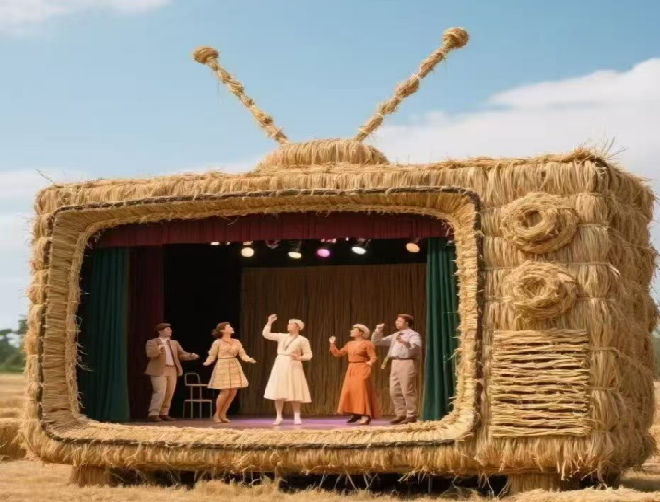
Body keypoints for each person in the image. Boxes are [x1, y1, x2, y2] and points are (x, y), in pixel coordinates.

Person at [262, 314, 312, 425]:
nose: (288, 326)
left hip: (294, 364)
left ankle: (297, 416)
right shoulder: (282, 336)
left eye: (291, 324)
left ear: (298, 327)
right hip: (280, 364)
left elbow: (309, 355)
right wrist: (269, 322)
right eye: (288, 324)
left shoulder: (302, 340)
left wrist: (299, 357)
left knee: (295, 389)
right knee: (278, 390)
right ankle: (278, 416)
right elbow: (266, 334)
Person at [372, 314, 421, 424]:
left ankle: (411, 415)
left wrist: (406, 343)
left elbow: (416, 348)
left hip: (406, 362)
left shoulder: (413, 334)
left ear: (406, 323)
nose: (396, 322)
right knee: (394, 390)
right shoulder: (395, 335)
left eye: (399, 321)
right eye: (397, 320)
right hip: (395, 362)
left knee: (407, 390)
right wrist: (378, 331)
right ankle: (401, 414)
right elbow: (377, 341)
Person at [144, 322, 199, 422]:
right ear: (160, 331)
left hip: (172, 369)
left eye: (170, 329)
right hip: (159, 369)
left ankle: (164, 413)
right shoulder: (152, 342)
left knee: (170, 392)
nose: (170, 331)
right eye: (167, 329)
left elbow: (181, 354)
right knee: (160, 391)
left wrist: (190, 356)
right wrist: (158, 349)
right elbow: (150, 354)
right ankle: (153, 413)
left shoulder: (174, 343)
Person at [203, 322, 256, 423]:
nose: (231, 328)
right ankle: (217, 414)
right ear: (223, 330)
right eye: (229, 327)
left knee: (233, 391)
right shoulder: (217, 342)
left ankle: (223, 414)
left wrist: (249, 359)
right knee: (225, 391)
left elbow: (242, 354)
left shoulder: (236, 341)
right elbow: (212, 355)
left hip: (234, 366)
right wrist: (207, 362)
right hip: (223, 366)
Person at [329, 324, 379, 425]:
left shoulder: (367, 343)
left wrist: (370, 363)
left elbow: (373, 357)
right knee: (351, 391)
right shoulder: (350, 343)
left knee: (361, 391)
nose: (351, 331)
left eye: (354, 330)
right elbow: (338, 353)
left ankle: (365, 415)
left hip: (362, 367)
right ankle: (356, 414)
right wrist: (332, 344)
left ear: (361, 333)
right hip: (351, 368)